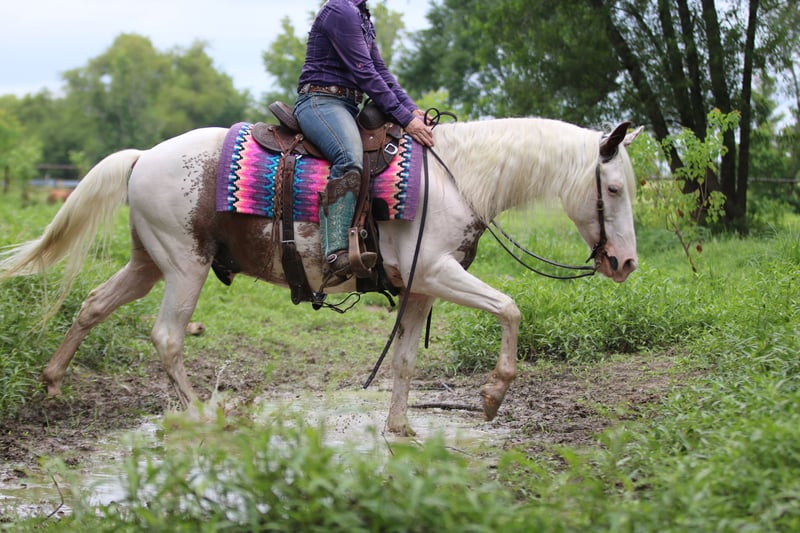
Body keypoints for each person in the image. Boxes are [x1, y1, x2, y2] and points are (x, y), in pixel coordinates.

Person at [294, 0, 434, 279]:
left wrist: (411, 109)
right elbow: (364, 72)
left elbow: (380, 71)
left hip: (346, 105)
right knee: (348, 157)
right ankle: (335, 252)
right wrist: (405, 118)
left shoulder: (361, 16)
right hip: (320, 102)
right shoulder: (340, 9)